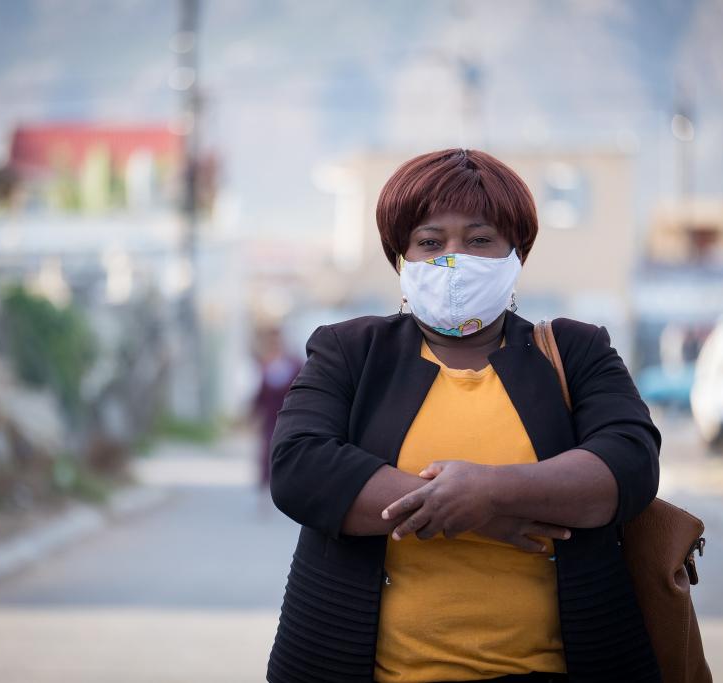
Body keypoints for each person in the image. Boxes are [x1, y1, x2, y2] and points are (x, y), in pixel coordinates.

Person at [267, 149, 662, 683]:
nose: (454, 259)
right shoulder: (351, 351)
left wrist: (490, 491)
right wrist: (471, 510)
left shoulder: (575, 351)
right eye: (430, 242)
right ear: (400, 258)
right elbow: (300, 467)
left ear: (516, 253)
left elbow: (628, 464)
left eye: (479, 240)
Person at [250, 326, 302, 492]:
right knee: (268, 450)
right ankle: (269, 486)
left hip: (291, 416)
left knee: (289, 450)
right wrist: (254, 415)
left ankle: (290, 484)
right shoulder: (265, 365)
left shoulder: (295, 364)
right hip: (271, 418)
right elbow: (260, 393)